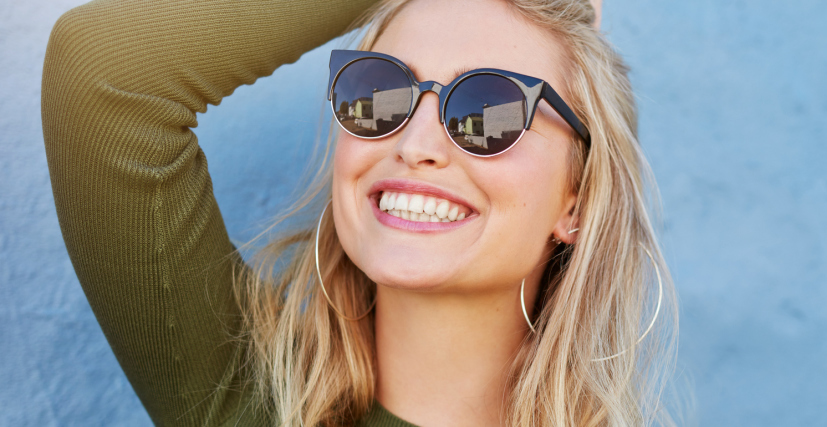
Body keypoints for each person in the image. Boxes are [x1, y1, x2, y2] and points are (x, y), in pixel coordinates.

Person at [42, 0, 677, 425]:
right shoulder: (252, 398)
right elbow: (103, 75)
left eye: (489, 109)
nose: (415, 145)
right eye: (381, 91)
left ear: (578, 200)